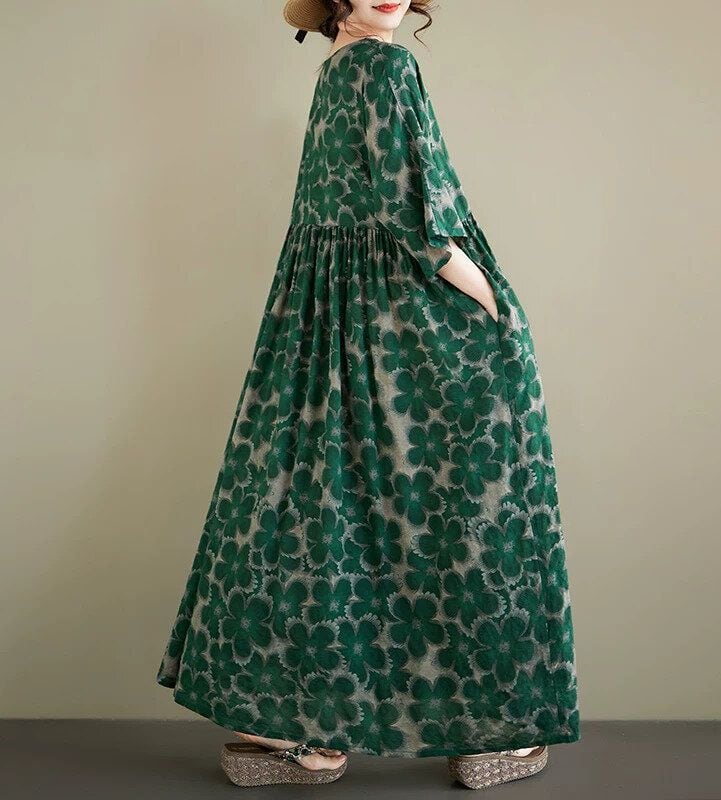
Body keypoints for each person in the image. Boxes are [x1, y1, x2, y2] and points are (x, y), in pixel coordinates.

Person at [155, 0, 580, 790]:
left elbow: (331, 214)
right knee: (467, 501)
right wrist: (495, 302)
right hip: (399, 313)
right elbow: (417, 218)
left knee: (321, 508)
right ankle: (497, 724)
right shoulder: (386, 67)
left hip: (321, 316)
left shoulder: (333, 72)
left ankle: (306, 730)